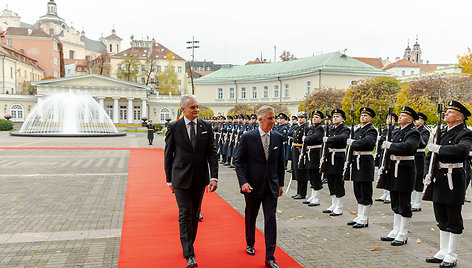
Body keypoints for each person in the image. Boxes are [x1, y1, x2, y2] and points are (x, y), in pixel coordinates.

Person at [164, 95, 219, 268]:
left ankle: (189, 242)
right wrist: (168, 179)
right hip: (180, 178)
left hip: (199, 178)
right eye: (192, 107)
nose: (196, 110)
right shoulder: (174, 127)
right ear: (183, 109)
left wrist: (214, 177)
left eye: (197, 107)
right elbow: (168, 154)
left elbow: (212, 153)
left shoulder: (206, 126)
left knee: (195, 214)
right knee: (184, 213)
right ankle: (189, 253)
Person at [235, 105, 285, 268]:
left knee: (270, 219)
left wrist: (281, 184)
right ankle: (250, 242)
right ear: (261, 119)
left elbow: (280, 163)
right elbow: (239, 162)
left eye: (274, 118)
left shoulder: (278, 137)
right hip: (252, 186)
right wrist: (243, 182)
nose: (273, 121)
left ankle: (270, 257)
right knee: (251, 215)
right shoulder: (248, 137)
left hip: (271, 186)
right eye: (270, 118)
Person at [425, 101, 472, 268]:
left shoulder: (465, 133)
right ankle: (443, 251)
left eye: (450, 111)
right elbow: (429, 156)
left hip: (454, 179)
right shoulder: (442, 132)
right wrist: (427, 173)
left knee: (453, 217)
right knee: (441, 215)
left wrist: (439, 149)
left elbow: (462, 150)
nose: (446, 114)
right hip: (439, 178)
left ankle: (452, 254)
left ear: (459, 117)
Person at [380, 106, 420, 246]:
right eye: (401, 114)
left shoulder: (413, 132)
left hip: (404, 170)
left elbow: (408, 147)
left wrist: (390, 145)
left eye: (403, 115)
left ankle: (403, 233)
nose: (401, 117)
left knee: (404, 202)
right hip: (393, 168)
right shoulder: (397, 131)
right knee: (395, 201)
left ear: (410, 119)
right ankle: (395, 229)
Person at [346, 107, 377, 228]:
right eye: (362, 115)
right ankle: (359, 215)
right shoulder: (359, 129)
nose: (363, 117)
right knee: (357, 189)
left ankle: (365, 218)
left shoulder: (371, 130)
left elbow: (368, 142)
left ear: (370, 118)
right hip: (356, 161)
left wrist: (353, 143)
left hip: (365, 162)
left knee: (365, 190)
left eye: (365, 115)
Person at [322, 109, 349, 216]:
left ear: (343, 119)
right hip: (329, 156)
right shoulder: (331, 129)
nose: (335, 118)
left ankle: (339, 206)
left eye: (337, 116)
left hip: (338, 157)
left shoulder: (344, 129)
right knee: (330, 180)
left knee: (338, 181)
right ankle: (333, 203)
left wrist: (329, 139)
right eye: (333, 116)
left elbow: (343, 138)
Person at [375, 113, 399, 204]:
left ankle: (389, 194)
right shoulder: (385, 130)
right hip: (383, 153)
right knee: (382, 172)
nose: (389, 120)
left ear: (394, 121)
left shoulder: (395, 130)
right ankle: (385, 193)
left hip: (390, 153)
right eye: (388, 118)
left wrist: (382, 137)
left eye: (391, 119)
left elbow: (391, 139)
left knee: (389, 173)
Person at [302, 110, 324, 206]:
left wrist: (306, 139)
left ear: (320, 119)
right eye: (313, 117)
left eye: (316, 117)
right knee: (310, 174)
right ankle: (312, 195)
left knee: (316, 175)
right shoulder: (311, 128)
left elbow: (315, 138)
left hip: (316, 153)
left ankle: (317, 198)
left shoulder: (320, 128)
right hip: (309, 153)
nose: (314, 119)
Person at [411, 112, 431, 212]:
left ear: (423, 121)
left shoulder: (424, 131)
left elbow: (422, 144)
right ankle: (411, 200)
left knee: (418, 179)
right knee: (411, 179)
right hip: (411, 156)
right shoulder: (411, 129)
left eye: (418, 119)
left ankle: (417, 202)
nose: (416, 121)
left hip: (419, 156)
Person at [291, 112, 309, 199]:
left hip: (301, 150)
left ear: (305, 118)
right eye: (299, 117)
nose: (300, 119)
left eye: (302, 117)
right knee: (297, 171)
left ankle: (302, 193)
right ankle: (298, 192)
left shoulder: (306, 128)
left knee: (302, 172)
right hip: (295, 150)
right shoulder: (297, 127)